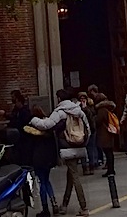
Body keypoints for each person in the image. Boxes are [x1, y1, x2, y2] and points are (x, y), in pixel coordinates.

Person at [30, 89, 90, 217]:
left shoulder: (61, 112)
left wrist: (33, 120)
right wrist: (83, 142)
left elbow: (46, 125)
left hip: (67, 147)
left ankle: (84, 207)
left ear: (59, 99)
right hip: (79, 145)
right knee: (71, 176)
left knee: (75, 176)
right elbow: (88, 128)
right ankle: (64, 205)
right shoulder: (79, 111)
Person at [22, 106, 61, 217]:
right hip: (49, 158)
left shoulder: (31, 129)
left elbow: (29, 147)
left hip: (38, 159)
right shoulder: (49, 126)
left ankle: (45, 208)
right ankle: (54, 203)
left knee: (42, 182)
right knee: (47, 181)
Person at [92, 90, 119, 178]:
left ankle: (110, 170)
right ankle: (111, 169)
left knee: (108, 152)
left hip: (104, 133)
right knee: (110, 152)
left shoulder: (101, 109)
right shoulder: (109, 108)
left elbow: (98, 121)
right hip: (109, 132)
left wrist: (94, 118)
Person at [7, 91, 33, 166]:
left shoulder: (24, 111)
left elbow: (20, 122)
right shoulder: (16, 110)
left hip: (24, 137)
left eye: (13, 97)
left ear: (18, 100)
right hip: (18, 136)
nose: (12, 99)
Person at [78, 89, 99, 174]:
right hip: (81, 131)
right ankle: (84, 167)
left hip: (91, 130)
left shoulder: (90, 107)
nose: (82, 100)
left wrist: (86, 109)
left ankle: (92, 166)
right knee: (83, 150)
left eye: (84, 98)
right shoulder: (76, 108)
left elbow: (92, 117)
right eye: (81, 98)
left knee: (91, 149)